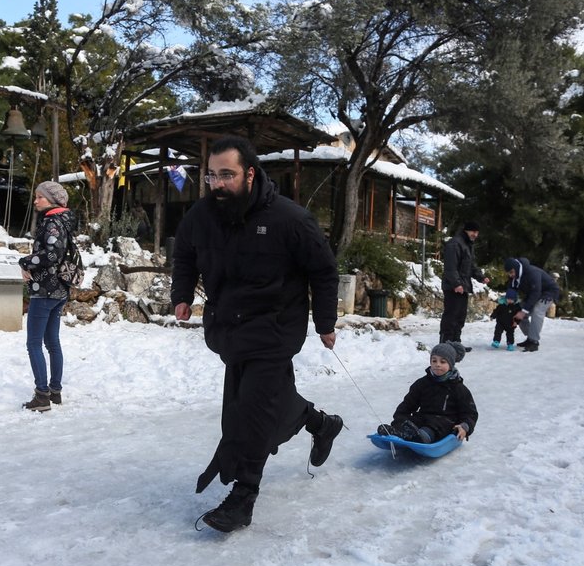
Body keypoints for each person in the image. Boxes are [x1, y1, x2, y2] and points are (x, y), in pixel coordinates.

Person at [171, 136, 344, 533]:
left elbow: (324, 270)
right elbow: (185, 253)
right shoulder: (202, 215)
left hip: (275, 329)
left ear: (250, 174)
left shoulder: (290, 219)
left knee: (248, 412)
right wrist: (181, 294)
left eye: (227, 175)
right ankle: (320, 423)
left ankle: (243, 497)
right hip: (229, 330)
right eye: (211, 175)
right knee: (267, 403)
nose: (218, 183)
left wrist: (326, 323)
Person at [18, 181, 76, 411]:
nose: (35, 201)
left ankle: (42, 395)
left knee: (34, 343)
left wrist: (25, 262)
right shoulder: (63, 221)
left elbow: (52, 254)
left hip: (45, 290)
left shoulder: (52, 223)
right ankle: (55, 391)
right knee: (52, 342)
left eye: (39, 197)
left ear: (51, 200)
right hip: (59, 289)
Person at [375, 341, 478, 444]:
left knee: (436, 425)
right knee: (412, 421)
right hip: (424, 417)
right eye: (434, 361)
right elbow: (407, 404)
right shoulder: (423, 383)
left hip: (446, 422)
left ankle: (421, 437)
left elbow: (470, 413)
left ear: (451, 365)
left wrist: (465, 426)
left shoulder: (458, 388)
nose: (437, 365)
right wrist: (399, 421)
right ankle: (398, 433)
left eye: (443, 362)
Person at [440, 221, 490, 349]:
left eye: (477, 232)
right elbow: (450, 267)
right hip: (453, 287)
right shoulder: (455, 244)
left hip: (463, 287)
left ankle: (456, 343)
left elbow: (470, 266)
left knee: (460, 317)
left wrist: (481, 277)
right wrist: (456, 284)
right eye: (473, 231)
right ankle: (445, 344)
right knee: (451, 316)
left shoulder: (468, 245)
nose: (475, 234)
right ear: (466, 231)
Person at [503, 257, 560, 352]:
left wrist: (524, 311)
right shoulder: (514, 276)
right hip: (533, 294)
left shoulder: (532, 272)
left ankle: (534, 341)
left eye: (512, 272)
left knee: (537, 311)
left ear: (516, 268)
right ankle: (530, 338)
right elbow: (512, 289)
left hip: (548, 292)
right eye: (509, 273)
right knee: (517, 310)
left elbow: (536, 292)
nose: (510, 275)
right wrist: (509, 302)